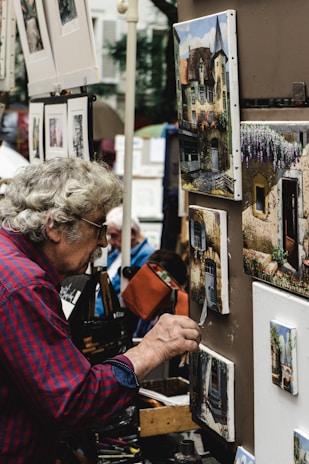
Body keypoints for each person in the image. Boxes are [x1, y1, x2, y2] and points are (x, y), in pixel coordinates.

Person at [0, 157, 201, 463]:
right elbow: (74, 403)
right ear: (54, 226)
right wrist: (150, 350)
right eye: (97, 227)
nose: (104, 242)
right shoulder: (25, 285)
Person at [95, 205, 155, 316]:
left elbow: (127, 296)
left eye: (114, 236)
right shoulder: (119, 251)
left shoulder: (146, 256)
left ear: (131, 233)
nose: (110, 242)